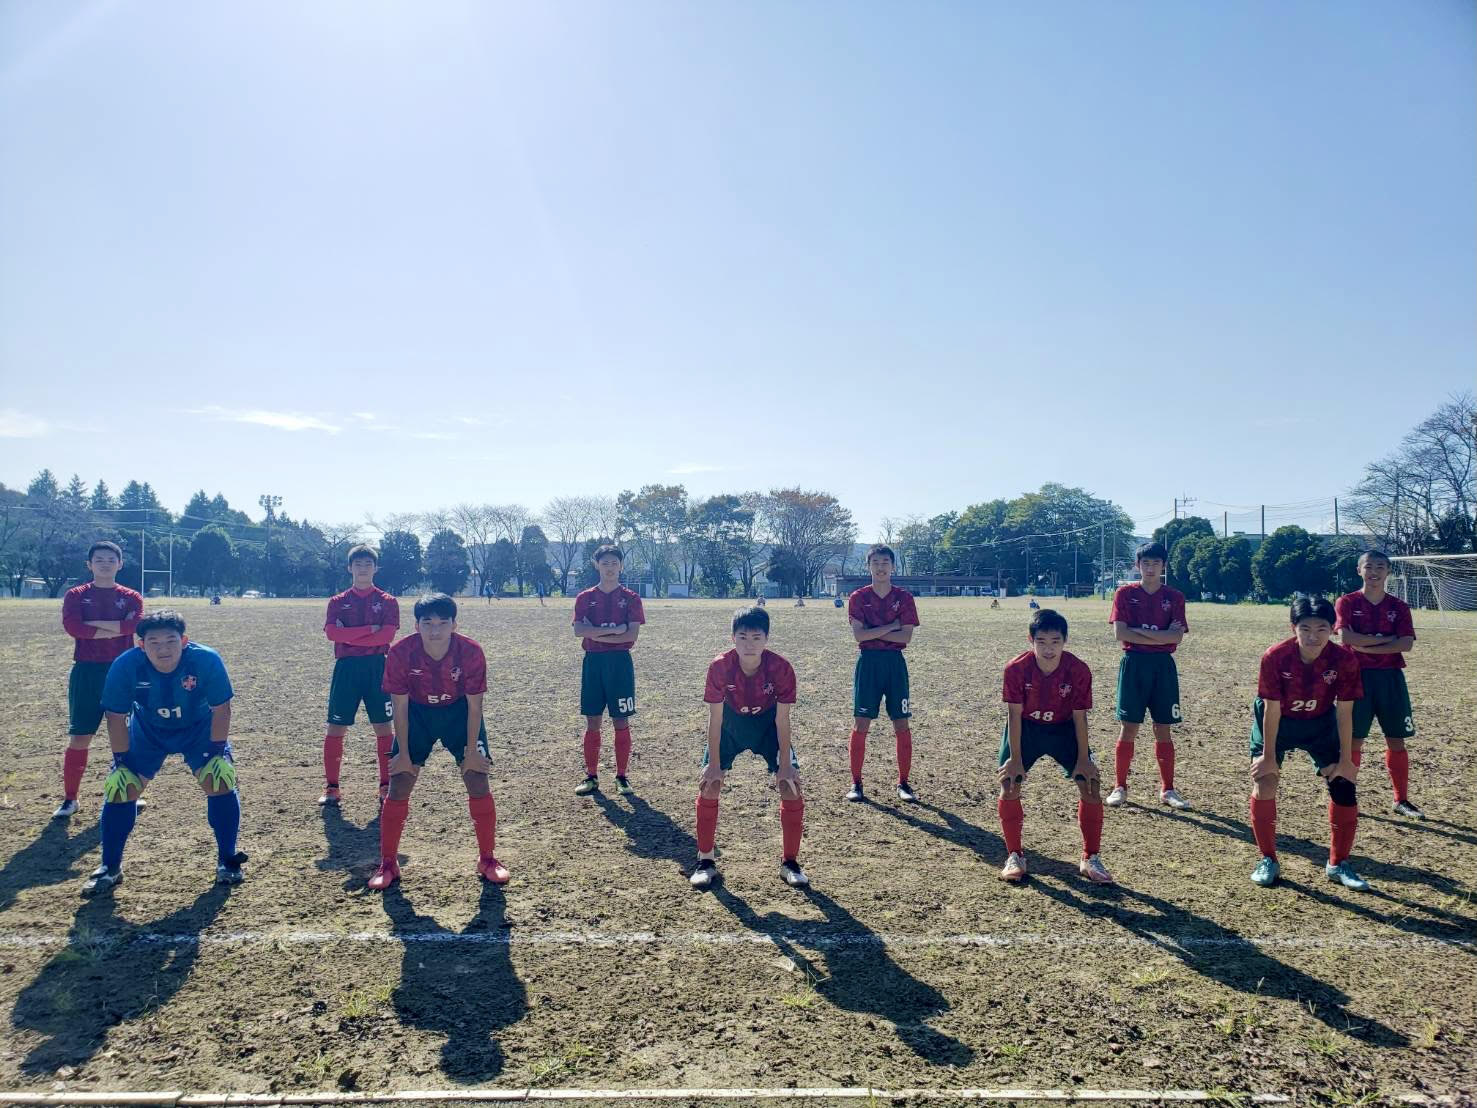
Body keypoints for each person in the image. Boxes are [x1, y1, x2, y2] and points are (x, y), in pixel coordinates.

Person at [83, 609, 244, 894]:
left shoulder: (206, 660)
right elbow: (115, 716)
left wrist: (217, 753)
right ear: (141, 645)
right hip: (148, 732)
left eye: (171, 641)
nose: (163, 649)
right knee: (122, 788)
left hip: (199, 729)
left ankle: (227, 859)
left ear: (184, 641)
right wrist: (121, 762)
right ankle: (110, 866)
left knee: (218, 780)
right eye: (154, 642)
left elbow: (222, 709)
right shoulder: (126, 665)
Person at [368, 594, 507, 890]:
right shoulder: (400, 652)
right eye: (427, 623)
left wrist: (472, 751)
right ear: (416, 625)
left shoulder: (470, 651)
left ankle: (487, 859)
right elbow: (400, 707)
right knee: (399, 782)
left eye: (443, 623)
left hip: (459, 713)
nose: (435, 630)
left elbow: (475, 707)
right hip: (417, 715)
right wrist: (404, 753)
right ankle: (388, 863)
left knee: (477, 778)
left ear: (454, 624)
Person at [1247, 595, 1368, 891]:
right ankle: (1268, 859)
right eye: (1305, 629)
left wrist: (1346, 760)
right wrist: (1268, 756)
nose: (1313, 636)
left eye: (1321, 629)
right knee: (1265, 780)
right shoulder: (1275, 657)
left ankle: (1338, 863)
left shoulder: (1344, 660)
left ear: (1333, 629)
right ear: (1293, 628)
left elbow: (1345, 711)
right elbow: (1272, 709)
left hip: (1320, 723)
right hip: (1278, 723)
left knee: (1343, 784)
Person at [691, 606, 808, 890]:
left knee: (790, 786)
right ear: (733, 638)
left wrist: (785, 765)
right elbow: (715, 718)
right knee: (710, 784)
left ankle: (790, 863)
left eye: (756, 637)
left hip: (768, 726)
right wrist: (714, 764)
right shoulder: (720, 666)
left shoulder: (781, 667)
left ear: (766, 639)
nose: (749, 644)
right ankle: (705, 861)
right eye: (742, 637)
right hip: (730, 725)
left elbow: (783, 719)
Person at [997, 609, 1112, 884]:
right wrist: (1015, 758)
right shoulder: (1016, 669)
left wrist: (1083, 759)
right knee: (1009, 783)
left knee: (1091, 784)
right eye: (1041, 642)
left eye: (1055, 641)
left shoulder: (1078, 670)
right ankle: (1015, 856)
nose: (1048, 649)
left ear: (1065, 640)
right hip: (1027, 728)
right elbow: (1014, 715)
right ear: (1031, 640)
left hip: (1064, 728)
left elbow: (1080, 716)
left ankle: (1091, 857)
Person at [56, 541, 144, 819]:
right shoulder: (76, 595)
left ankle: (129, 791)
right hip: (87, 672)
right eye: (99, 559)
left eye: (110, 559)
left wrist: (92, 624)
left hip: (122, 671)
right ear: (89, 564)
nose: (105, 564)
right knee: (80, 736)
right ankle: (70, 799)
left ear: (120, 564)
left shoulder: (131, 597)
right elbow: (74, 628)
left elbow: (134, 627)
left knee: (126, 735)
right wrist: (116, 628)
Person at [1334, 550, 1422, 819]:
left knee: (1396, 739)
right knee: (1353, 740)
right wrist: (1386, 640)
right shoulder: (1347, 602)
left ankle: (1401, 800)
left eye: (1380, 567)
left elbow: (1406, 643)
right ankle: (1347, 798)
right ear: (1359, 570)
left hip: (1390, 678)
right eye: (1369, 566)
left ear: (1388, 572)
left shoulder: (1399, 606)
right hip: (1355, 678)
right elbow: (1346, 637)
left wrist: (1366, 645)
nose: (1374, 572)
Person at [1106, 541, 1190, 810]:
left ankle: (1168, 789)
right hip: (1134, 663)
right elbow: (1120, 633)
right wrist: (1161, 635)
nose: (1150, 568)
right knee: (1129, 726)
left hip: (1163, 666)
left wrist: (1139, 632)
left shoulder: (1175, 597)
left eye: (1156, 563)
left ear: (1164, 565)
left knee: (1163, 728)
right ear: (1137, 565)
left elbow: (1176, 637)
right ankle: (1119, 786)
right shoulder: (1124, 594)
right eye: (1145, 563)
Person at [320, 544, 400, 808]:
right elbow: (332, 633)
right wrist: (369, 629)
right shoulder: (337, 602)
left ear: (376, 568)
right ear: (349, 568)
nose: (363, 568)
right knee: (336, 727)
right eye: (358, 564)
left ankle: (386, 785)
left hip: (378, 667)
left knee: (383, 726)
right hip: (346, 669)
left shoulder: (388, 601)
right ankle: (332, 787)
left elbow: (386, 636)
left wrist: (349, 635)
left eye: (368, 564)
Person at [845, 544, 921, 803]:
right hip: (868, 664)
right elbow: (859, 635)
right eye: (875, 562)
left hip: (894, 664)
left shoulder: (905, 598)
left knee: (901, 722)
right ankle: (856, 782)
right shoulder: (858, 597)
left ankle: (904, 783)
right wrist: (892, 626)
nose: (880, 567)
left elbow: (906, 637)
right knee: (861, 723)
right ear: (868, 566)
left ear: (893, 566)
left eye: (885, 562)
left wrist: (874, 631)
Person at [571, 545, 645, 796]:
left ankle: (622, 777)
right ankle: (591, 776)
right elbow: (579, 630)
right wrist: (614, 630)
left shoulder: (632, 598)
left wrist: (596, 632)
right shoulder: (584, 597)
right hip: (593, 662)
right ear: (597, 565)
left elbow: (631, 635)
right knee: (593, 720)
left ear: (621, 566)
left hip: (620, 664)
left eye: (614, 563)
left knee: (621, 719)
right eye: (605, 563)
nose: (610, 568)